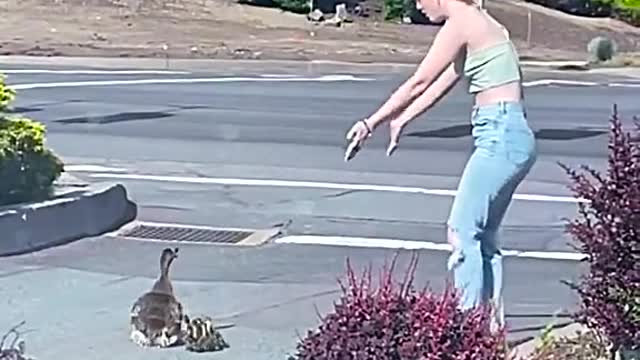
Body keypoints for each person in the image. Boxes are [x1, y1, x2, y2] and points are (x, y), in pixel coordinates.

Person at [345, 0, 537, 330]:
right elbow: (442, 82)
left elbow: (419, 80)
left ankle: (467, 332)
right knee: (484, 237)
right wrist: (402, 119)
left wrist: (369, 122)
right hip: (512, 134)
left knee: (461, 232)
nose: (418, 6)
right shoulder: (482, 23)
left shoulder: (460, 22)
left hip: (499, 135)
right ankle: (490, 333)